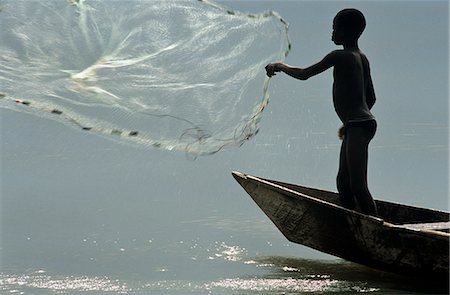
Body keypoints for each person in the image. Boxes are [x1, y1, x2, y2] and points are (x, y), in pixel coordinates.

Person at [265, 8, 378, 216]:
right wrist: (349, 122)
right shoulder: (362, 58)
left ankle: (379, 231)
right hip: (359, 124)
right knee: (343, 183)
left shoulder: (340, 56)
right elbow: (370, 98)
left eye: (334, 27)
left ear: (345, 30)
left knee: (357, 184)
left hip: (359, 125)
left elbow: (304, 74)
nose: (332, 32)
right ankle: (353, 222)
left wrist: (279, 66)